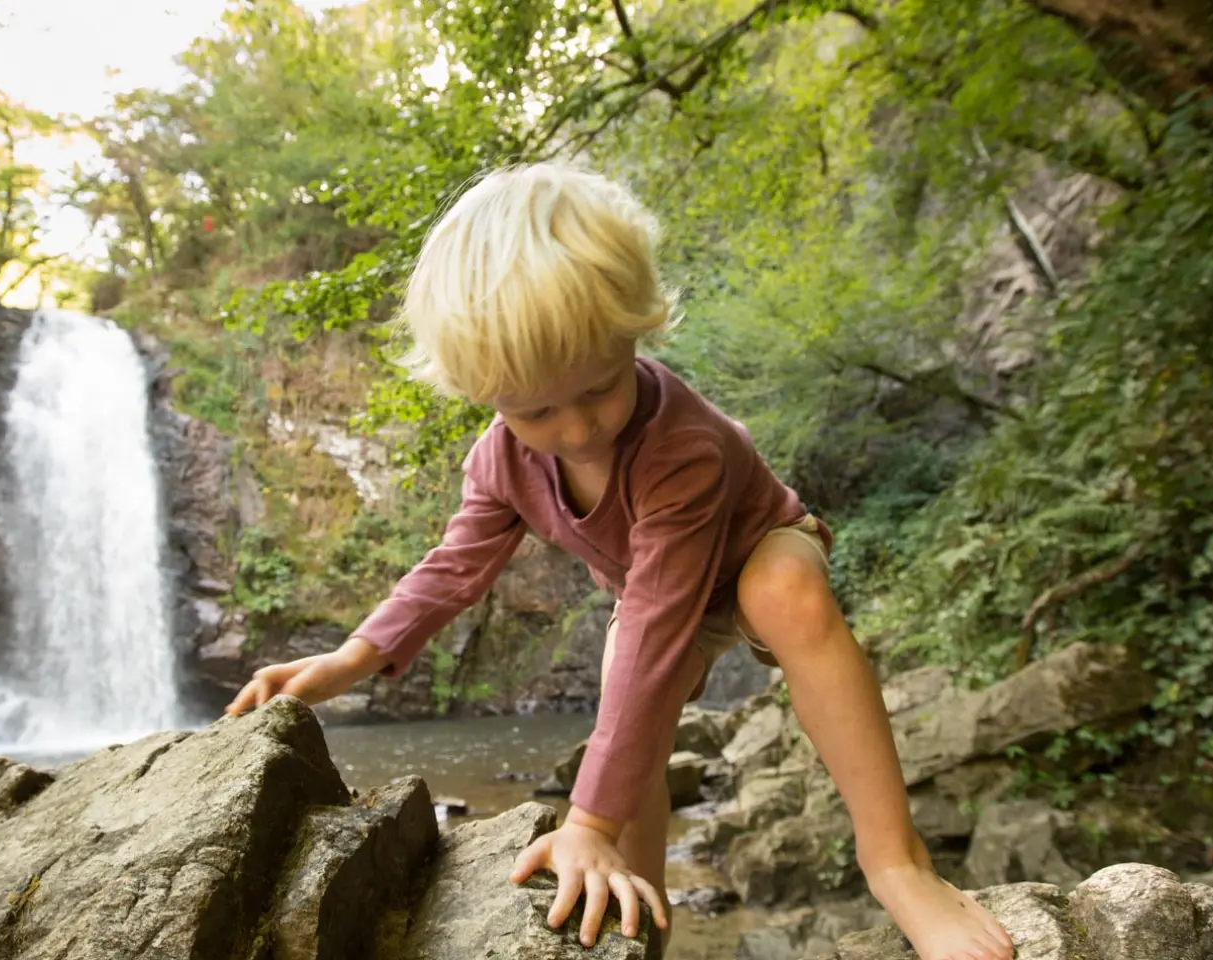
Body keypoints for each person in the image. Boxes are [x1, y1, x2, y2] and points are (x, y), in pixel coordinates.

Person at [224, 163, 1015, 960]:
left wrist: (587, 818)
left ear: (635, 335)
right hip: (654, 592)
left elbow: (657, 621)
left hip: (749, 552)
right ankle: (642, 920)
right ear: (485, 393)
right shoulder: (500, 459)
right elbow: (454, 566)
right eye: (536, 410)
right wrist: (354, 656)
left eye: (600, 389)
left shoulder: (682, 448)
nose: (575, 431)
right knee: (625, 697)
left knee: (783, 594)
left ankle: (899, 865)